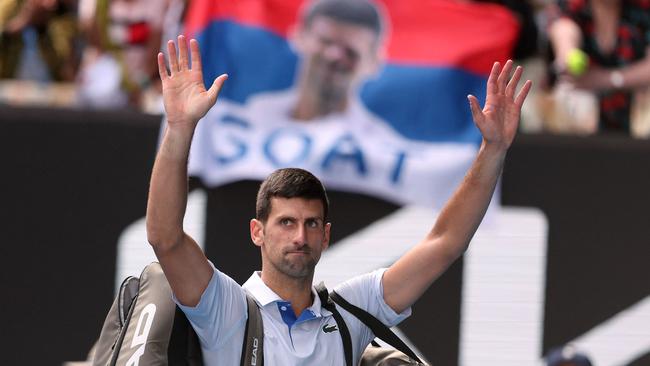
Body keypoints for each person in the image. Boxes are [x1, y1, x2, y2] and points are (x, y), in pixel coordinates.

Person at [146, 33, 531, 365]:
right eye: (286, 222)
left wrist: (493, 150)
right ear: (256, 232)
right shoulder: (226, 307)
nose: (300, 235)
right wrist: (180, 128)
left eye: (311, 223)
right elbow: (165, 237)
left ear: (326, 235)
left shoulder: (350, 311)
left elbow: (445, 243)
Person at [547, 0, 650, 133]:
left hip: (633, 122)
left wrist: (608, 79)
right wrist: (567, 53)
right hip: (581, 127)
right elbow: (564, 29)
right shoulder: (573, 7)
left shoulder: (643, 9)